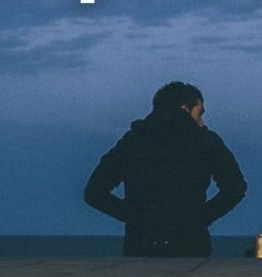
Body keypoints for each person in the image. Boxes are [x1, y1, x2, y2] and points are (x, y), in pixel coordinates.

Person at [83, 81, 247, 256]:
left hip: (140, 245)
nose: (202, 121)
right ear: (185, 108)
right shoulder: (205, 141)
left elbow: (94, 192)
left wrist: (135, 216)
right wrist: (200, 218)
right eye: (200, 113)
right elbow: (236, 188)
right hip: (191, 244)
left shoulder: (133, 141)